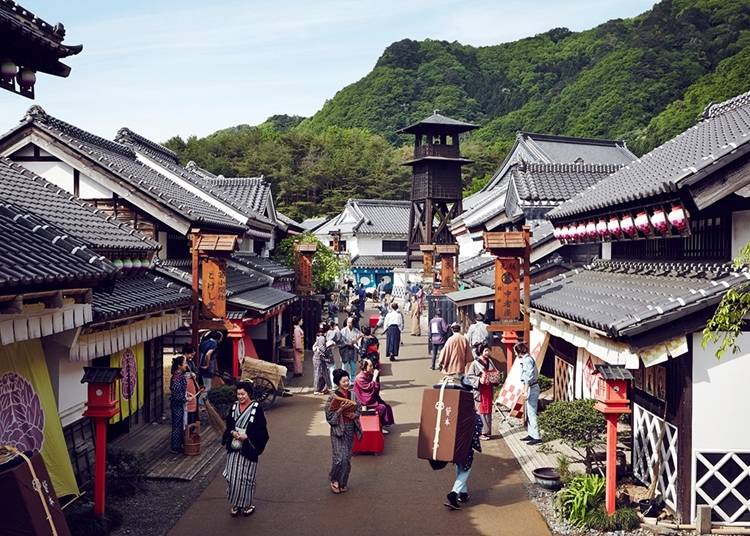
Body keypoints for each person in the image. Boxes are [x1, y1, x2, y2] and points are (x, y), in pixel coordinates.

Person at [222, 381, 269, 517]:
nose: (240, 397)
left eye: (243, 394)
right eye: (238, 394)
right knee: (232, 476)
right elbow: (229, 423)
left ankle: (247, 504)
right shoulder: (234, 407)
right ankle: (236, 503)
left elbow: (261, 430)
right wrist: (232, 433)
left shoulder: (256, 408)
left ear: (249, 394)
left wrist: (247, 435)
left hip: (248, 447)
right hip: (234, 446)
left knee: (246, 477)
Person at [324, 369, 362, 494]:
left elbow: (359, 408)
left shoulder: (353, 395)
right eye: (344, 381)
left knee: (346, 457)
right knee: (338, 458)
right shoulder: (332, 398)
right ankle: (334, 479)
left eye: (347, 380)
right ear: (338, 383)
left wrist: (354, 415)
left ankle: (342, 482)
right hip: (337, 430)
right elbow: (330, 418)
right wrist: (340, 410)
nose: (347, 383)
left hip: (350, 427)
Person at [445, 413, 483, 510]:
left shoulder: (455, 414)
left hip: (455, 448)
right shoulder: (475, 417)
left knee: (460, 468)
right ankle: (453, 493)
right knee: (465, 471)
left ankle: (463, 494)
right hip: (466, 448)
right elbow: (476, 433)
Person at [464, 345, 500, 440]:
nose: (487, 353)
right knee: (480, 411)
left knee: (488, 411)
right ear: (481, 352)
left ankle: (487, 431)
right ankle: (481, 432)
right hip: (480, 391)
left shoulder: (490, 361)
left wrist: (494, 378)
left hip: (488, 389)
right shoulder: (475, 363)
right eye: (485, 351)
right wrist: (479, 379)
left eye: (488, 350)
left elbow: (494, 372)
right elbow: (470, 376)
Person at [353, 358, 394, 431]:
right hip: (363, 400)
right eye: (370, 366)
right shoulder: (360, 378)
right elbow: (368, 389)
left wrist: (375, 377)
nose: (372, 368)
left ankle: (383, 424)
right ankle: (380, 425)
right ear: (365, 367)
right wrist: (374, 377)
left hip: (371, 397)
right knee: (382, 408)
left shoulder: (368, 374)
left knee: (387, 406)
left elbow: (375, 389)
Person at [516, 342, 541, 445]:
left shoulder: (527, 360)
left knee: (531, 412)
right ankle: (531, 433)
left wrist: (525, 390)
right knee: (529, 411)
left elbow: (528, 377)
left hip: (532, 387)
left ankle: (536, 436)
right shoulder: (527, 359)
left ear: (518, 351)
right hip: (530, 387)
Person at [169, 355, 188, 453]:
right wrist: (184, 399)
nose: (186, 365)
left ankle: (179, 444)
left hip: (180, 403)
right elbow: (176, 393)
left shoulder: (180, 376)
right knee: (177, 425)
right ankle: (175, 447)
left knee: (181, 424)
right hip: (177, 404)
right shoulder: (176, 378)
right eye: (184, 363)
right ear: (179, 366)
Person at [312, 323, 332, 395]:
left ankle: (322, 388)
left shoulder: (320, 336)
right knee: (318, 373)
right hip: (319, 358)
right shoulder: (322, 338)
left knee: (323, 373)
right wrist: (328, 347)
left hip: (320, 358)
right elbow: (322, 349)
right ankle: (317, 389)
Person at [325, 320, 341, 386]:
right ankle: (333, 385)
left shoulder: (325, 333)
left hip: (324, 354)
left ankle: (328, 384)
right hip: (329, 353)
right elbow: (338, 338)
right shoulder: (332, 332)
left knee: (326, 369)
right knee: (332, 368)